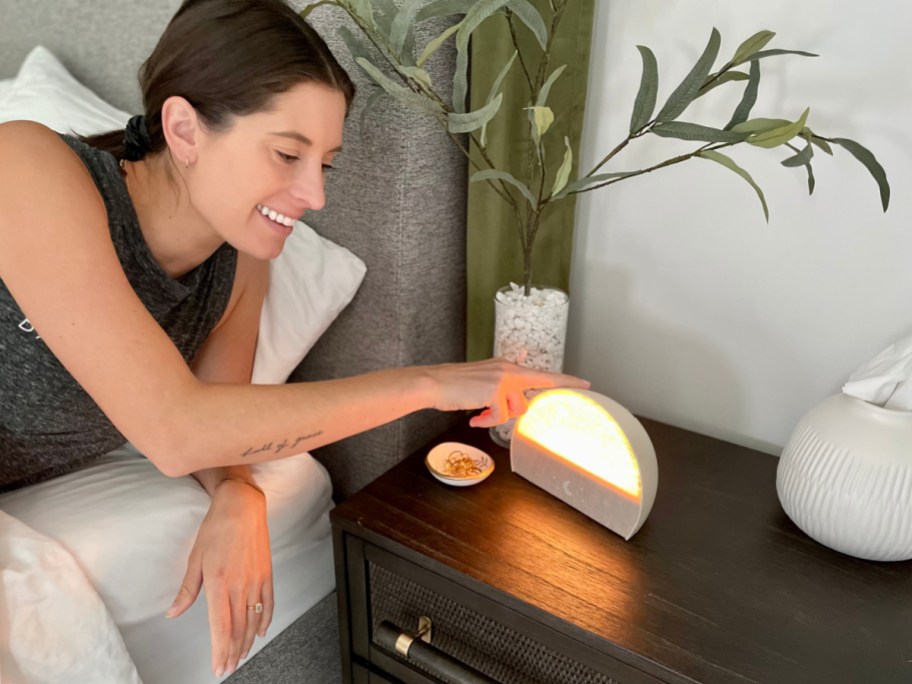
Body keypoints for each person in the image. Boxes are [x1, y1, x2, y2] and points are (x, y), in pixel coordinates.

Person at [0, 0, 589, 677]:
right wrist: (429, 382)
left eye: (326, 164)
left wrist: (236, 493)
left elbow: (214, 421)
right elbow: (175, 430)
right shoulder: (28, 165)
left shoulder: (241, 259)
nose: (314, 195)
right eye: (287, 154)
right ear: (184, 129)